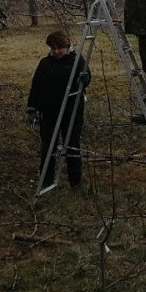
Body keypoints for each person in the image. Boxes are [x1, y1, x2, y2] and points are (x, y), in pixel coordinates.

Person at [27, 30, 91, 189]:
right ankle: (46, 180)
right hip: (48, 111)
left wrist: (85, 79)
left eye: (59, 48)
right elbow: (36, 86)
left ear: (67, 46)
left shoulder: (77, 61)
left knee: (72, 144)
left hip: (72, 111)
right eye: (53, 48)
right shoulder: (45, 63)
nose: (56, 51)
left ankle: (75, 181)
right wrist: (32, 108)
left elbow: (87, 79)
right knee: (48, 145)